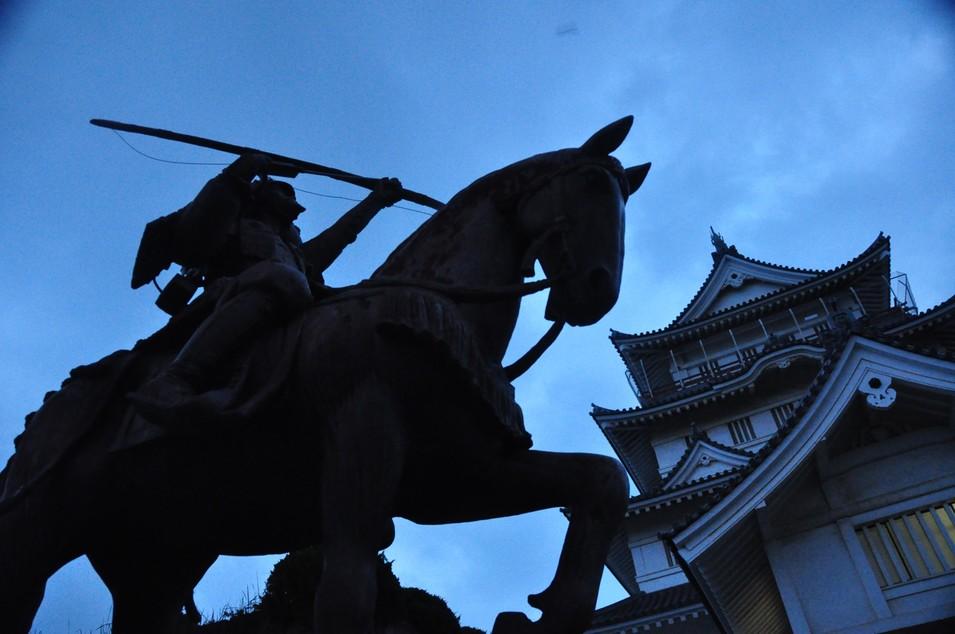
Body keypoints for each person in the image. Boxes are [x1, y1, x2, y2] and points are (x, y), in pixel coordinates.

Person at [128, 153, 402, 421]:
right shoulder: (233, 225)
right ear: (258, 195)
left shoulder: (295, 254)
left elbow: (339, 237)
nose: (295, 203)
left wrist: (375, 201)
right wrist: (239, 172)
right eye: (283, 192)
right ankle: (177, 377)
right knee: (280, 276)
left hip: (294, 299)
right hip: (229, 298)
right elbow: (203, 220)